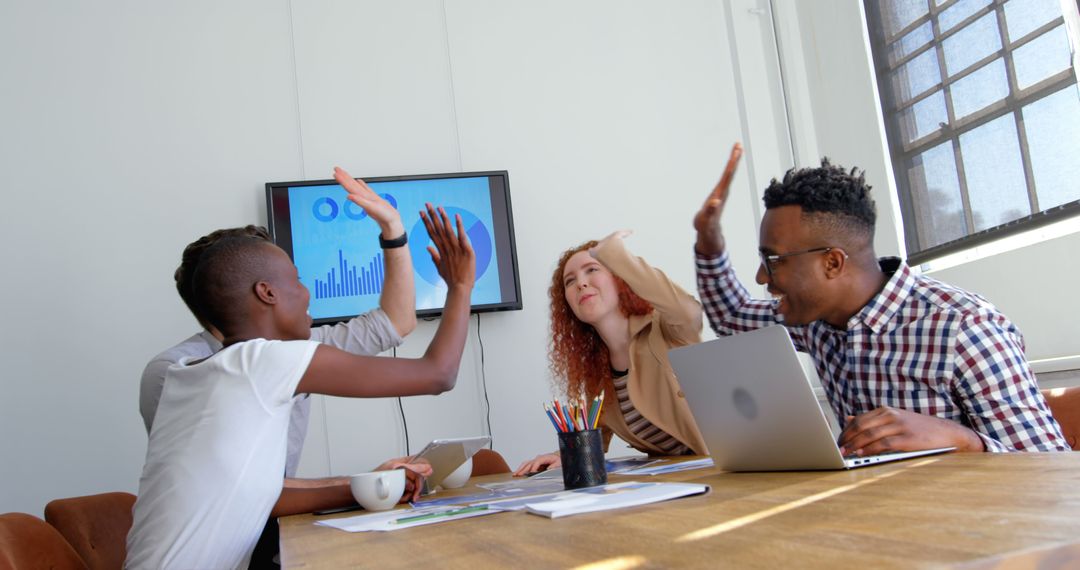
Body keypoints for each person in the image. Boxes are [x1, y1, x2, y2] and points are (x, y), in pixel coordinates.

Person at [126, 194, 476, 568]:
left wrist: (372, 483)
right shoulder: (264, 361)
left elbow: (263, 492)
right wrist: (459, 287)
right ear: (267, 292)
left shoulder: (196, 374)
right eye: (296, 279)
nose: (307, 293)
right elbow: (438, 374)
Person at [693, 143, 1068, 455]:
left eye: (773, 261)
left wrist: (963, 440)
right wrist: (709, 243)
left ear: (832, 262)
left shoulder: (964, 328)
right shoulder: (815, 323)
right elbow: (732, 317)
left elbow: (1052, 469)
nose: (763, 277)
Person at [514, 230, 707, 476]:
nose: (581, 283)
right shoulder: (597, 370)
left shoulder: (665, 328)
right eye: (570, 281)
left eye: (592, 269)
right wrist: (560, 455)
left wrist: (617, 256)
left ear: (620, 280)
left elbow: (689, 311)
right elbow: (595, 437)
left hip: (725, 470)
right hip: (675, 482)